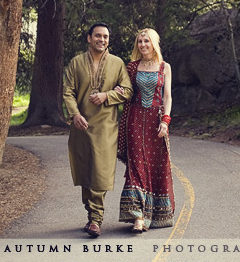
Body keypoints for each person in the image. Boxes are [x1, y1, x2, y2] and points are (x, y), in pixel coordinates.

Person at [64, 22, 133, 238]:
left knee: (100, 171)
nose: (102, 40)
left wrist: (107, 96)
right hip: (81, 126)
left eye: (105, 37)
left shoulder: (117, 63)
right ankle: (91, 211)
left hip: (106, 127)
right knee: (86, 171)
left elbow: (128, 90)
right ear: (89, 38)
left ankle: (96, 219)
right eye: (98, 36)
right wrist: (75, 115)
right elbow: (68, 92)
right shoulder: (76, 63)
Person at [117, 28, 175, 233]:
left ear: (153, 43)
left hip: (156, 121)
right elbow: (126, 90)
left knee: (155, 164)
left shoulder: (164, 67)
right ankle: (138, 216)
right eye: (140, 41)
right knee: (136, 165)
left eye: (146, 41)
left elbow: (167, 97)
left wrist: (165, 122)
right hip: (134, 120)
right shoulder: (132, 67)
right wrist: (118, 90)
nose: (142, 45)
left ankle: (157, 214)